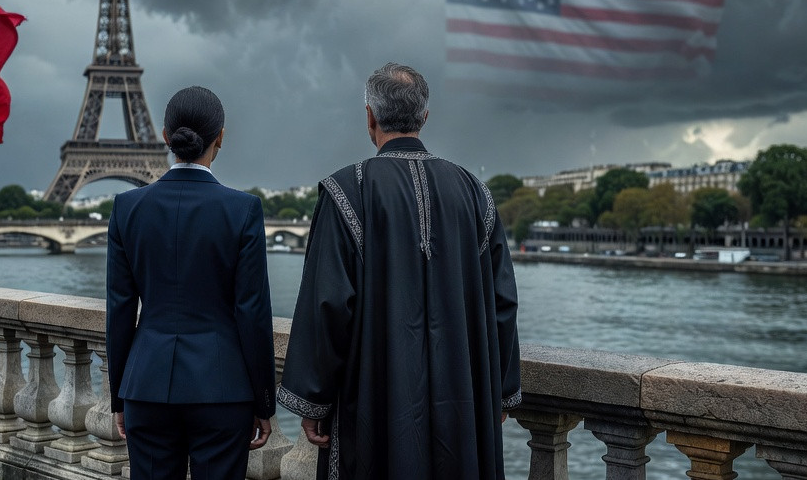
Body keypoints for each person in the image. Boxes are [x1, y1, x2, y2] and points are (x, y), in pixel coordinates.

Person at [278, 63, 520, 480]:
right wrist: (498, 391)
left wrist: (312, 399)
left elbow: (328, 304)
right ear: (424, 118)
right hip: (462, 400)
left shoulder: (346, 190)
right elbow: (502, 303)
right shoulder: (475, 192)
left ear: (369, 117)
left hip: (373, 398)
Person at [106, 86, 276, 480]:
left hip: (146, 387)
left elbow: (119, 310)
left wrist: (120, 396)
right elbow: (252, 313)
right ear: (221, 137)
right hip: (222, 390)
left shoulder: (127, 208)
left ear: (165, 136)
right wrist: (264, 401)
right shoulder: (243, 210)